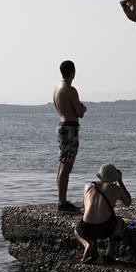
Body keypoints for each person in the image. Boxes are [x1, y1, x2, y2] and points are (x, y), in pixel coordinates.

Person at [74, 164, 132, 263]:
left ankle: (88, 244)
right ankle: (110, 251)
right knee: (119, 221)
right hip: (104, 228)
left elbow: (84, 207)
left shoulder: (88, 185)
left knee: (76, 230)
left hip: (87, 228)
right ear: (115, 177)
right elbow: (128, 202)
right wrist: (120, 182)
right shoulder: (116, 189)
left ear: (100, 176)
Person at [53, 60, 87, 213]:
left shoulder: (57, 89)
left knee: (61, 164)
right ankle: (63, 203)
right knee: (67, 166)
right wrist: (83, 107)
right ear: (73, 72)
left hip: (61, 127)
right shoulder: (70, 90)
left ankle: (62, 200)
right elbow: (79, 112)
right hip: (70, 128)